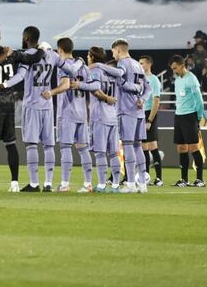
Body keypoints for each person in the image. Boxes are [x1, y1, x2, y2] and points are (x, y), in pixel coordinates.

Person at [0, 27, 58, 192]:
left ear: (26, 38)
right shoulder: (52, 55)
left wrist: (3, 85)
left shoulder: (27, 56)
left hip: (33, 104)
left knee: (31, 144)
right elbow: (69, 68)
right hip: (48, 105)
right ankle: (48, 184)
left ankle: (34, 184)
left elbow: (20, 76)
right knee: (49, 145)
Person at [0, 24, 40, 193]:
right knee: (11, 144)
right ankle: (15, 184)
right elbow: (32, 58)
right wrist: (42, 48)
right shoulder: (12, 53)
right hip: (9, 105)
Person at [95, 39, 147, 193]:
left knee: (128, 144)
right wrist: (142, 99)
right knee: (138, 146)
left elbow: (120, 75)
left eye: (113, 52)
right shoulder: (138, 65)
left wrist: (99, 65)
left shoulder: (123, 64)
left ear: (118, 50)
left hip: (127, 109)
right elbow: (147, 87)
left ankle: (130, 183)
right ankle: (142, 184)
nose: (113, 55)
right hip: (139, 111)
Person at [44, 39, 93, 193]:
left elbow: (65, 85)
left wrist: (51, 92)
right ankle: (88, 183)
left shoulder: (63, 66)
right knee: (83, 149)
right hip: (82, 112)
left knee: (65, 147)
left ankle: (65, 184)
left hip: (67, 112)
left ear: (59, 50)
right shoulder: (83, 67)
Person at [83, 47, 120, 192]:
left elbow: (96, 90)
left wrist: (106, 98)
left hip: (100, 115)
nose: (87, 57)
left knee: (100, 152)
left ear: (92, 56)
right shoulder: (110, 71)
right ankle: (116, 185)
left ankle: (102, 184)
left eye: (88, 55)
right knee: (113, 153)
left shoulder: (94, 70)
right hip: (113, 115)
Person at [171, 55, 205, 187]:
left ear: (181, 65)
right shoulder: (178, 80)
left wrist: (198, 117)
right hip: (178, 116)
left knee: (193, 147)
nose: (174, 71)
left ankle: (200, 179)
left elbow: (199, 100)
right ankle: (184, 179)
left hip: (190, 116)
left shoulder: (192, 79)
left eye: (175, 68)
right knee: (181, 148)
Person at [140, 56, 163, 186]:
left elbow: (156, 101)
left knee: (152, 146)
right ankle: (146, 177)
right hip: (140, 114)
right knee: (143, 147)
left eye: (142, 63)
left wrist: (150, 119)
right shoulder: (140, 79)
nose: (140, 65)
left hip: (149, 114)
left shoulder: (153, 80)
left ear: (149, 64)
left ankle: (159, 178)